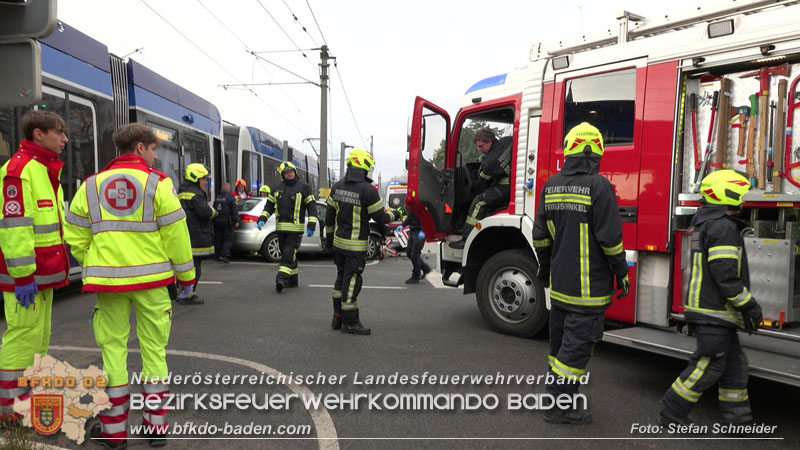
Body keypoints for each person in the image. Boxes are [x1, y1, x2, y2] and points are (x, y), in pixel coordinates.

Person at [64, 123, 195, 448]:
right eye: (153, 150)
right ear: (139, 148)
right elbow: (177, 235)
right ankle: (156, 430)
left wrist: (97, 260)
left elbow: (75, 235)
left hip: (108, 285)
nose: (155, 157)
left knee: (113, 353)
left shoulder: (90, 186)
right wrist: (186, 276)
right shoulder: (159, 185)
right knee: (154, 353)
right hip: (152, 284)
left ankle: (115, 434)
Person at [531, 122, 630, 425]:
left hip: (560, 288)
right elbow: (611, 241)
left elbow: (540, 238)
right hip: (589, 293)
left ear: (570, 149)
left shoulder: (551, 186)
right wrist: (621, 273)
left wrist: (545, 270)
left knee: (560, 349)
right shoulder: (599, 187)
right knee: (574, 353)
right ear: (598, 150)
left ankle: (566, 402)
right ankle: (557, 406)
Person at [660, 170, 762, 427]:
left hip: (714, 312)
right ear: (728, 194)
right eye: (740, 194)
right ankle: (672, 411)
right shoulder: (722, 227)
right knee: (709, 365)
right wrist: (749, 307)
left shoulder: (708, 223)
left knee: (734, 366)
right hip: (713, 312)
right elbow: (725, 277)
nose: (743, 200)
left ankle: (737, 421)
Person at [0, 111, 70, 425]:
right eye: (59, 133)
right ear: (39, 135)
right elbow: (15, 229)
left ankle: (25, 398)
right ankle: (9, 409)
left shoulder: (43, 169)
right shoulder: (19, 171)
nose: (65, 140)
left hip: (41, 276)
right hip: (25, 278)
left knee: (37, 339)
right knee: (22, 337)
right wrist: (23, 275)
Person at [325, 149, 403, 335]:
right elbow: (381, 217)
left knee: (340, 281)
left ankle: (337, 317)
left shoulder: (336, 187)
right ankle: (350, 323)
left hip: (338, 244)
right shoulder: (367, 190)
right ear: (365, 167)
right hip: (355, 247)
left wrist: (329, 241)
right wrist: (397, 213)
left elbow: (329, 216)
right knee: (352, 282)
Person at [257, 162, 317, 292]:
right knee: (288, 254)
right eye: (286, 173)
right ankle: (293, 280)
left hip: (295, 229)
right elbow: (269, 207)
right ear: (283, 175)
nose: (289, 174)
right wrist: (262, 218)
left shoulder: (304, 187)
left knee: (288, 253)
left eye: (291, 172)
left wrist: (312, 224)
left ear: (295, 172)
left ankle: (282, 279)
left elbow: (312, 207)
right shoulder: (277, 188)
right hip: (281, 229)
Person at [449, 128, 513, 249]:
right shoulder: (508, 141)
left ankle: (466, 238)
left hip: (504, 187)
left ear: (490, 140)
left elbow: (483, 181)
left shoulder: (489, 162)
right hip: (514, 184)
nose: (480, 149)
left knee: (479, 202)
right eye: (478, 147)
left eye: (481, 146)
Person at [178, 163, 216, 304]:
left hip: (186, 234)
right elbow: (205, 212)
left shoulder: (183, 191)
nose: (206, 182)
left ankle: (183, 292)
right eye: (204, 179)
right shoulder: (196, 195)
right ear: (195, 178)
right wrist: (215, 213)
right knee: (194, 267)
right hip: (195, 235)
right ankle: (187, 295)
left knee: (186, 266)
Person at [398, 211, 431, 284]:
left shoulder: (420, 203)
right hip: (413, 231)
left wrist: (423, 231)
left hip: (419, 232)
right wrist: (402, 225)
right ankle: (425, 268)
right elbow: (410, 217)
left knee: (414, 254)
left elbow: (426, 218)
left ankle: (416, 276)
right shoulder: (413, 205)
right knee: (409, 252)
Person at [213, 182, 240, 263]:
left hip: (217, 221)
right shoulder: (231, 198)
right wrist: (236, 221)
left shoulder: (217, 198)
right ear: (229, 190)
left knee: (218, 239)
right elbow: (234, 211)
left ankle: (217, 255)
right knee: (228, 239)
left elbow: (214, 209)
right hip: (227, 221)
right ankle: (223, 255)